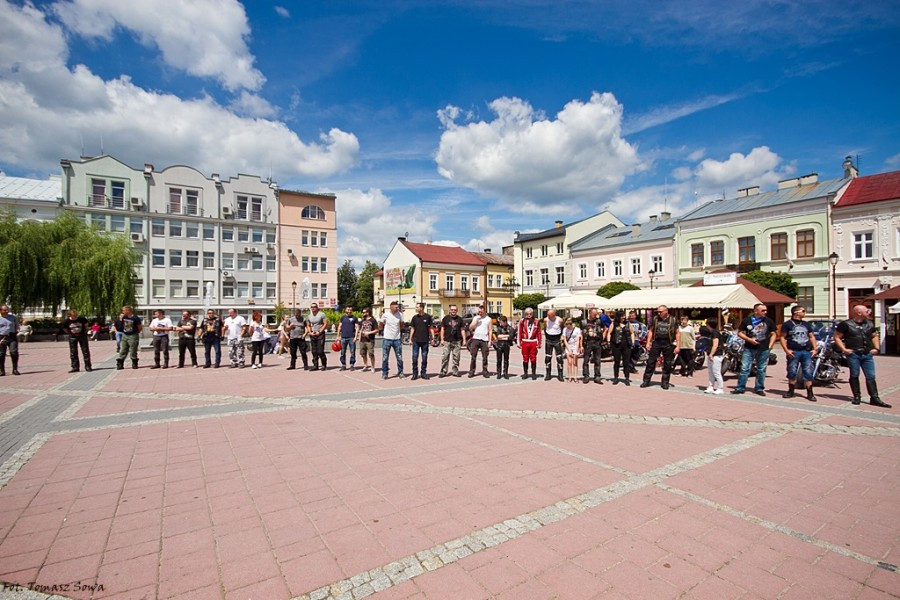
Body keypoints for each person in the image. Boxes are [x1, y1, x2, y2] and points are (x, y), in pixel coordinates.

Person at [834, 305, 890, 408]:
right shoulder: (846, 324)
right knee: (854, 375)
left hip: (867, 354)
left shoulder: (869, 323)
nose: (869, 312)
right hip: (854, 354)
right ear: (859, 313)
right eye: (867, 311)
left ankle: (874, 398)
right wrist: (844, 349)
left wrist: (876, 348)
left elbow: (874, 336)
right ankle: (857, 396)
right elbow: (837, 337)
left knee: (871, 376)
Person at [731, 303, 777, 396]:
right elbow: (740, 333)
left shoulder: (769, 321)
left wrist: (770, 346)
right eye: (763, 310)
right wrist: (749, 339)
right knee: (744, 368)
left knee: (761, 369)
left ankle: (759, 388)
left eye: (766, 310)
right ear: (756, 311)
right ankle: (740, 387)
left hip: (763, 348)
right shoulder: (747, 320)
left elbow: (774, 334)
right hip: (749, 348)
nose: (765, 312)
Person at [780, 305, 817, 402]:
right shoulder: (787, 324)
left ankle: (810, 393)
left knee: (808, 372)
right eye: (803, 311)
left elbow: (812, 336)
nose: (805, 313)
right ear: (796, 313)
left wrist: (815, 349)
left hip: (806, 351)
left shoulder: (806, 324)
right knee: (792, 371)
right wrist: (786, 350)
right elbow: (782, 337)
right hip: (793, 351)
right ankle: (791, 391)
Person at [640, 305, 680, 390]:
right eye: (657, 312)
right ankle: (646, 381)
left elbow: (677, 333)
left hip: (668, 343)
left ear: (666, 311)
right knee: (651, 361)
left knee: (667, 363)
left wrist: (678, 346)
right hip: (656, 342)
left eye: (660, 312)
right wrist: (648, 342)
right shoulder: (655, 319)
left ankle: (665, 382)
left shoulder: (673, 320)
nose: (658, 313)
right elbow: (650, 331)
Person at [379, 301, 405, 379]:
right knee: (385, 357)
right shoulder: (385, 315)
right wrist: (384, 330)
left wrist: (399, 332)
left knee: (399, 357)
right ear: (391, 307)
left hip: (397, 339)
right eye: (395, 307)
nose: (397, 308)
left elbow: (402, 325)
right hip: (387, 339)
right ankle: (385, 373)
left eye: (397, 307)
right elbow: (381, 324)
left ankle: (400, 372)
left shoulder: (400, 315)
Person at [61, 308, 92, 373]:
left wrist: (84, 332)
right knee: (73, 352)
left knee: (85, 351)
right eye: (74, 316)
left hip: (82, 336)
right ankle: (75, 367)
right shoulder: (66, 321)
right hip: (72, 337)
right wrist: (71, 333)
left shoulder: (82, 319)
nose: (75, 317)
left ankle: (88, 366)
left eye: (76, 316)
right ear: (70, 316)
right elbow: (65, 329)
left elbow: (86, 325)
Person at [439, 304, 466, 378]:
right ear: (450, 310)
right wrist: (442, 339)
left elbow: (462, 330)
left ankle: (455, 371)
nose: (453, 311)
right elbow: (442, 329)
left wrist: (464, 340)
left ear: (457, 311)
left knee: (456, 357)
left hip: (457, 341)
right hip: (447, 341)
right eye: (452, 310)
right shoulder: (446, 318)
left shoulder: (460, 319)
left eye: (455, 310)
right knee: (445, 357)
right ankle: (443, 371)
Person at [408, 303, 433, 380]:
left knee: (424, 358)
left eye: (417, 307)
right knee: (415, 357)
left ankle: (423, 373)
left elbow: (431, 328)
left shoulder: (428, 317)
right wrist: (410, 339)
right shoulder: (414, 318)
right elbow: (412, 329)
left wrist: (433, 338)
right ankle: (415, 374)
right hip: (416, 340)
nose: (416, 308)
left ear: (422, 308)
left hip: (425, 341)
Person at [607, 311, 633, 385]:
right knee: (617, 361)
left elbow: (632, 333)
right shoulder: (614, 324)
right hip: (616, 345)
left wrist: (632, 341)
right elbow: (609, 332)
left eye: (624, 316)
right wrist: (608, 342)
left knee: (626, 362)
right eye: (622, 316)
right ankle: (616, 377)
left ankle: (627, 378)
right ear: (618, 317)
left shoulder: (627, 324)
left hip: (626, 345)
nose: (624, 317)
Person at [700, 318, 725, 394]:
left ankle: (720, 388)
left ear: (708, 324)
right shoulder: (711, 333)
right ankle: (710, 386)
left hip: (717, 355)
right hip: (711, 354)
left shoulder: (715, 333)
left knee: (716, 372)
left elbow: (715, 345)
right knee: (711, 371)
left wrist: (711, 354)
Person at [581, 308, 604, 384]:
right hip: (588, 342)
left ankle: (597, 376)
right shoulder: (583, 322)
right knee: (586, 360)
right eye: (594, 314)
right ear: (589, 313)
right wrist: (581, 345)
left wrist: (602, 337)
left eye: (596, 314)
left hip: (597, 342)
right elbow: (581, 334)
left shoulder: (599, 321)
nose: (595, 316)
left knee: (597, 360)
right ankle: (586, 376)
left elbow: (605, 328)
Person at [517, 307, 541, 380]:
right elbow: (519, 332)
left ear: (532, 314)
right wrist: (519, 342)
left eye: (530, 314)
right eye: (527, 314)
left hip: (533, 342)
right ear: (525, 314)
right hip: (525, 341)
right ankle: (525, 373)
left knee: (533, 359)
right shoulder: (522, 321)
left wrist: (539, 343)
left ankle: (533, 373)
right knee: (525, 358)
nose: (529, 315)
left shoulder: (536, 321)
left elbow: (539, 333)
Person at [468, 306, 492, 378]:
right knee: (473, 356)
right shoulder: (476, 318)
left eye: (481, 311)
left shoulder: (488, 319)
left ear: (484, 311)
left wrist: (490, 341)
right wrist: (476, 321)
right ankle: (472, 371)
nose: (480, 313)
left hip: (484, 339)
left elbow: (490, 330)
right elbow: (470, 327)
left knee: (485, 357)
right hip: (475, 338)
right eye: (479, 312)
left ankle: (485, 371)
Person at [115, 305, 142, 370]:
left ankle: (134, 363)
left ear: (128, 310)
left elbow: (140, 327)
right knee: (123, 349)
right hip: (125, 334)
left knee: (133, 349)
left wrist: (135, 333)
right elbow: (122, 325)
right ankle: (120, 363)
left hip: (133, 335)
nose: (123, 312)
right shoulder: (124, 317)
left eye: (124, 310)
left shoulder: (135, 318)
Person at [544, 309, 565, 381]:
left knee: (559, 358)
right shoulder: (546, 320)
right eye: (548, 315)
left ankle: (560, 374)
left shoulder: (560, 320)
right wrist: (547, 337)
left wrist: (561, 338)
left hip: (557, 339)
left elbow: (562, 328)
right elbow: (545, 328)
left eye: (550, 316)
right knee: (547, 357)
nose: (548, 317)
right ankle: (548, 374)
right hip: (549, 339)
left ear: (554, 315)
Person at [306, 303, 329, 370]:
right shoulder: (309, 316)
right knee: (314, 351)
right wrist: (310, 332)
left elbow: (325, 323)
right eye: (312, 307)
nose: (313, 308)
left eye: (314, 307)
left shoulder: (321, 314)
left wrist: (320, 331)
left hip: (320, 334)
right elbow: (308, 325)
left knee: (320, 351)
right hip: (313, 334)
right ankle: (315, 365)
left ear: (317, 307)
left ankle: (324, 365)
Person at [0, 305, 22, 376]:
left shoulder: (13, 317)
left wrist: (18, 330)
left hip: (12, 336)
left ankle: (15, 369)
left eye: (7, 310)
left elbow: (17, 326)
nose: (7, 311)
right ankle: (2, 370)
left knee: (14, 352)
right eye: (5, 310)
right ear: (0, 310)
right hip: (1, 337)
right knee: (1, 354)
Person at [339, 306, 360, 371]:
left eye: (350, 310)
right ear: (345, 310)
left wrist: (356, 337)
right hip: (343, 337)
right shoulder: (343, 317)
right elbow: (339, 327)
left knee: (352, 352)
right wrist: (337, 336)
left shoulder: (354, 318)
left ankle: (352, 364)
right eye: (348, 310)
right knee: (342, 352)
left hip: (351, 337)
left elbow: (357, 328)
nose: (349, 311)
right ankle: (343, 365)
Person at [492, 315, 514, 379]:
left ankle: (505, 373)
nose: (500, 323)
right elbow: (498, 336)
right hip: (499, 346)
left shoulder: (510, 328)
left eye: (501, 322)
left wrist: (503, 337)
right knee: (499, 360)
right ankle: (499, 373)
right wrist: (505, 336)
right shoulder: (499, 328)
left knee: (506, 360)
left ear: (505, 322)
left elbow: (510, 337)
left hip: (506, 345)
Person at [358, 308, 379, 372]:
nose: (363, 314)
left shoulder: (373, 320)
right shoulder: (362, 321)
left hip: (370, 340)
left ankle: (372, 367)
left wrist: (369, 333)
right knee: (363, 354)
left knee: (371, 354)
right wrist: (359, 337)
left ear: (368, 313)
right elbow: (360, 330)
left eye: (364, 312)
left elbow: (377, 330)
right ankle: (365, 365)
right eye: (362, 312)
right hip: (362, 340)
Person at [563, 318, 582, 382]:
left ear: (572, 324)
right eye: (567, 324)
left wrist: (576, 349)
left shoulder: (577, 329)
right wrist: (569, 349)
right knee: (569, 362)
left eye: (570, 324)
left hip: (575, 346)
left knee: (575, 362)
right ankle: (569, 377)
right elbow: (565, 340)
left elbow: (578, 340)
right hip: (568, 346)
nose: (568, 326)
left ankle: (576, 377)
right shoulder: (565, 330)